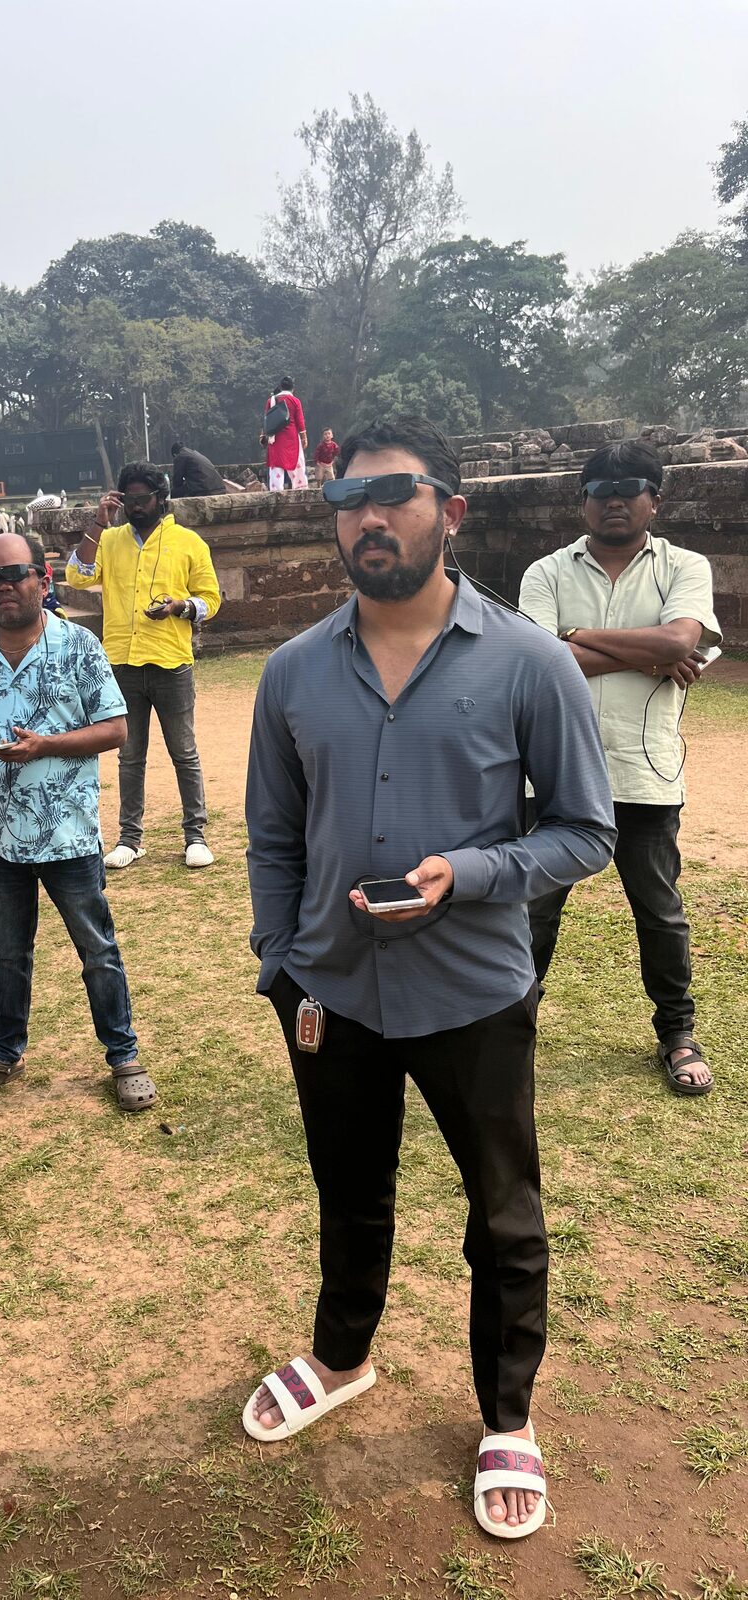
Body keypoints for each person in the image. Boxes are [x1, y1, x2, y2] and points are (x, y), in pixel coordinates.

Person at [243, 416, 616, 1540]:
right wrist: (278, 965)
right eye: (347, 500)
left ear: (448, 511)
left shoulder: (529, 661)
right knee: (349, 1192)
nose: (368, 516)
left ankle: (507, 1413)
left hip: (475, 995)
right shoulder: (294, 671)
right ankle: (343, 1353)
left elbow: (585, 832)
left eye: (394, 494)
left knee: (503, 1215)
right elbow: (272, 836)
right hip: (334, 993)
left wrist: (474, 872)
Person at [0, 533, 155, 1113]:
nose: (5, 586)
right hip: (0, 836)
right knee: (8, 953)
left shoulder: (78, 645)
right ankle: (4, 1052)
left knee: (97, 949)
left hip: (68, 834)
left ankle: (124, 1056)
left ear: (42, 579)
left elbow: (116, 729)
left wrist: (46, 746)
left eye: (17, 574)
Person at [519, 441, 721, 1097]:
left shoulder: (685, 567)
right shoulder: (546, 573)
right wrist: (646, 654)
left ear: (654, 500)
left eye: (629, 486)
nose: (613, 498)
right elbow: (539, 667)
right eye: (599, 487)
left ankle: (678, 1035)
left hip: (644, 773)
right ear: (581, 500)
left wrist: (576, 639)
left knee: (659, 914)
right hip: (553, 774)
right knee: (531, 914)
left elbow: (679, 643)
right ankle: (506, 1031)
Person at [65, 463, 221, 871]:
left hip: (171, 661)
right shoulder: (111, 540)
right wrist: (98, 524)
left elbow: (211, 599)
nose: (135, 507)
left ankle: (195, 835)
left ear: (161, 499)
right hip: (123, 662)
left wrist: (180, 607)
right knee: (129, 755)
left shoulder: (188, 543)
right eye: (128, 499)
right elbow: (78, 577)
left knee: (183, 752)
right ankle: (130, 838)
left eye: (143, 499)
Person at [261, 377, 308, 491]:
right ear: (293, 388)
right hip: (291, 437)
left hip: (275, 437)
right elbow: (300, 422)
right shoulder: (295, 401)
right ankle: (300, 487)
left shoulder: (271, 401)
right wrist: (304, 438)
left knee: (276, 464)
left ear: (281, 387)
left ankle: (276, 490)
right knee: (296, 461)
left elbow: (266, 420)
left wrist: (263, 436)